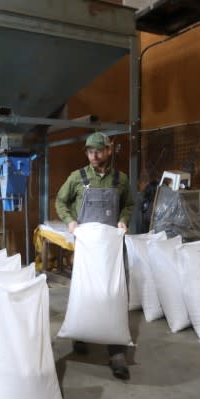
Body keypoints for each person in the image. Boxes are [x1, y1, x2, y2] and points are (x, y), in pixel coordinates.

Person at [55, 131, 134, 380]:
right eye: (90, 151)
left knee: (113, 294)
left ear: (109, 150)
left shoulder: (120, 180)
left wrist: (123, 220)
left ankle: (116, 352)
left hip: (110, 248)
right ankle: (82, 333)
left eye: (98, 151)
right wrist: (69, 222)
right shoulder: (77, 178)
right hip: (88, 248)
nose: (94, 155)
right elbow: (60, 201)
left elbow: (129, 204)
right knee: (85, 290)